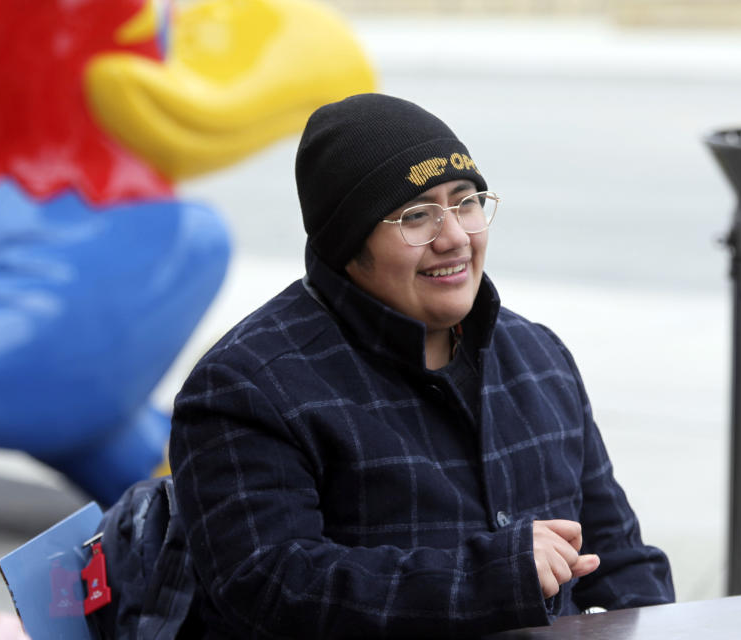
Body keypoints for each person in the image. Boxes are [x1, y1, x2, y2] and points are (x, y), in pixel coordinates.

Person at [169, 93, 675, 638]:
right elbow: (271, 586)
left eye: (467, 202)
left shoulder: (538, 358)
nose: (455, 237)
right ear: (347, 244)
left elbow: (619, 558)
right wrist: (489, 577)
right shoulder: (247, 385)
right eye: (416, 216)